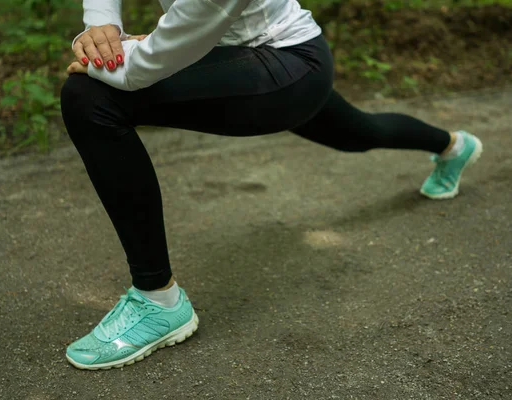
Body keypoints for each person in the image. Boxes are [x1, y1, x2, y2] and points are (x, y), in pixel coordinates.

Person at [61, 0, 483, 370]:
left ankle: (157, 301)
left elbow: (168, 44)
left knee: (91, 98)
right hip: (235, 58)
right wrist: (102, 23)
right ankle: (452, 146)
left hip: (286, 62)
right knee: (358, 132)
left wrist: (126, 59)